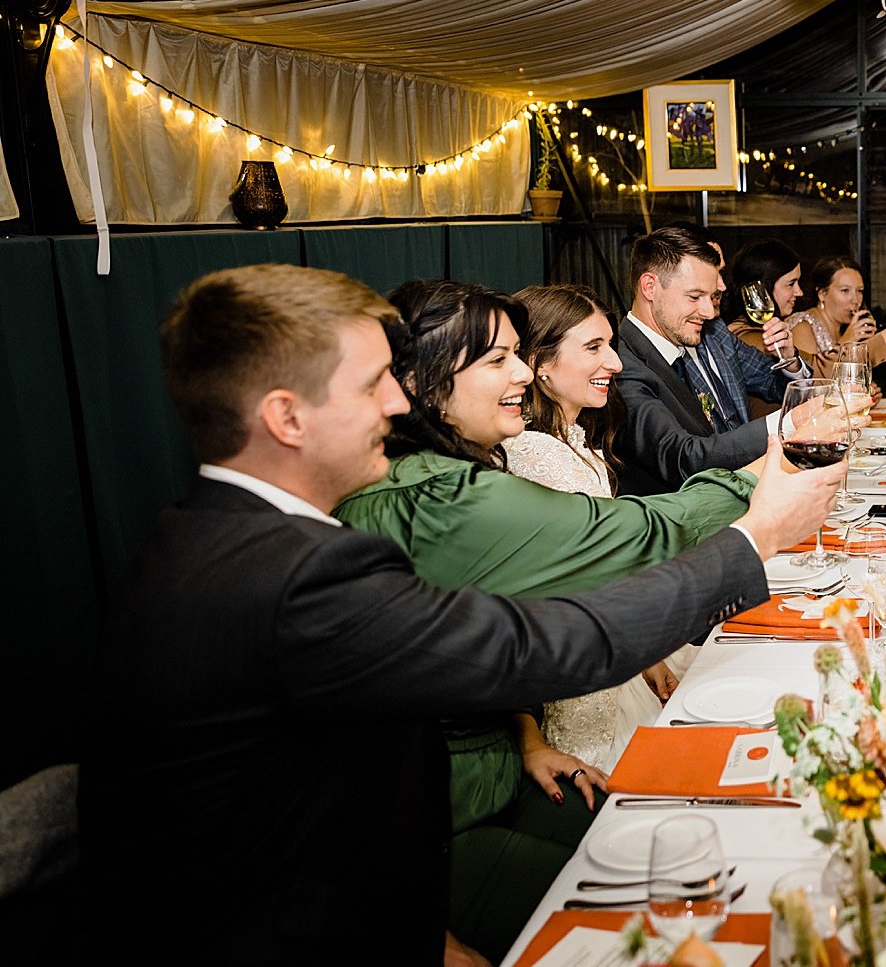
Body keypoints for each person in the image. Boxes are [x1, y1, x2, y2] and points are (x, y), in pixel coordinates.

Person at [79, 263, 840, 966]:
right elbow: (545, 644)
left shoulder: (197, 536)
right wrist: (755, 536)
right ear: (287, 416)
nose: (398, 401)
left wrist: (524, 733)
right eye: (373, 382)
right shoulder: (299, 574)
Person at [331, 278, 786, 957]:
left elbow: (479, 635)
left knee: (692, 845)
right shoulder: (433, 495)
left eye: (519, 354)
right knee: (676, 901)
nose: (521, 372)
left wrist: (525, 736)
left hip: (500, 776)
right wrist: (768, 486)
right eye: (497, 360)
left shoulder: (466, 467)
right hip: (431, 832)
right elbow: (629, 537)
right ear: (419, 381)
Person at [504, 283, 686, 774]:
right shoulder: (536, 454)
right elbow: (593, 576)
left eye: (611, 345)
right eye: (593, 348)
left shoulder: (573, 438)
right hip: (592, 693)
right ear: (539, 362)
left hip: (618, 649)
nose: (616, 363)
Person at [612, 225, 810, 495]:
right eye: (695, 297)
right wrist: (788, 422)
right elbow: (683, 458)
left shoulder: (687, 337)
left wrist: (789, 360)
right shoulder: (621, 364)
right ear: (650, 287)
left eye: (711, 296)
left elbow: (772, 381)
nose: (708, 311)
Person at [789, 255, 886, 373]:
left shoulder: (840, 327)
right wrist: (848, 340)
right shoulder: (802, 326)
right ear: (822, 293)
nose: (855, 300)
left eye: (859, 291)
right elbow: (811, 381)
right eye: (845, 291)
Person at [725, 239, 814, 413]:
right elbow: (819, 372)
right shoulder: (746, 338)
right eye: (791, 284)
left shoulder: (772, 330)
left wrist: (790, 359)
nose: (799, 292)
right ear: (761, 288)